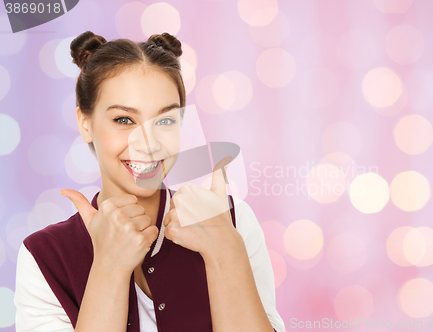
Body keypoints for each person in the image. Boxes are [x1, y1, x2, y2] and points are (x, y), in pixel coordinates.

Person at [14, 30, 285, 332]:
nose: (148, 143)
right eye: (124, 120)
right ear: (85, 123)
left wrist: (225, 250)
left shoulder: (232, 222)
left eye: (165, 120)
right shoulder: (44, 256)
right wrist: (109, 267)